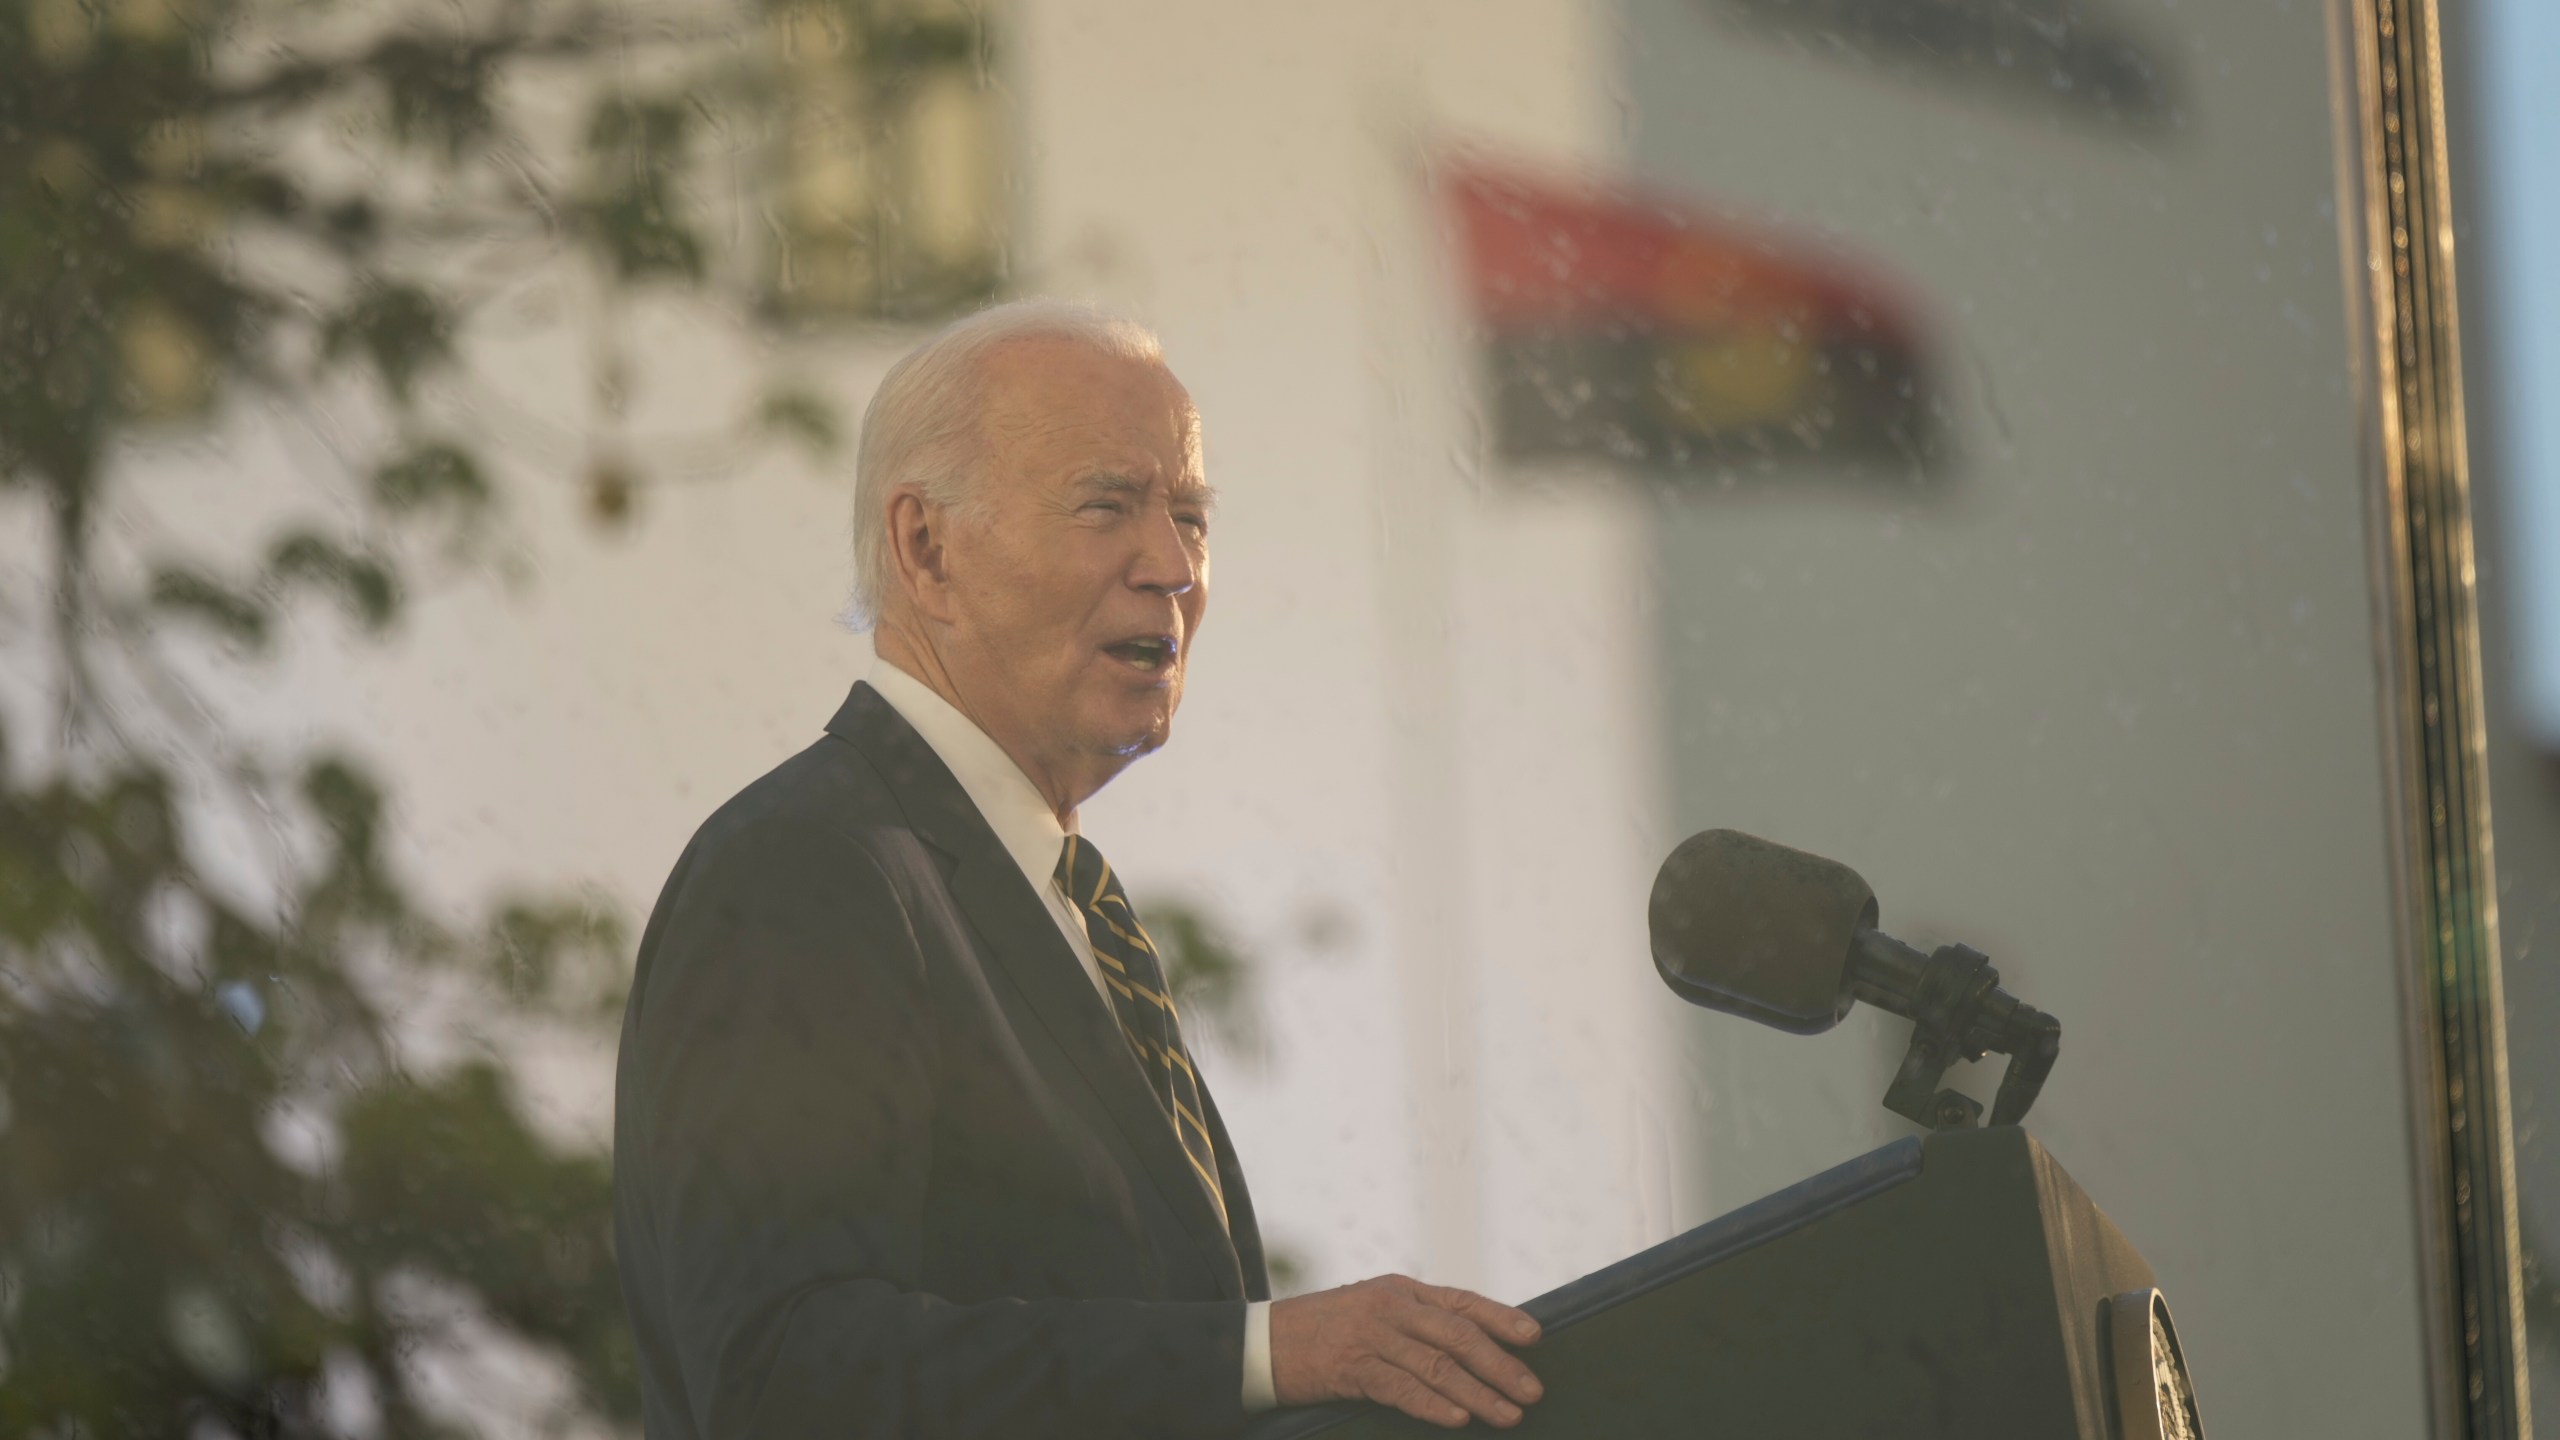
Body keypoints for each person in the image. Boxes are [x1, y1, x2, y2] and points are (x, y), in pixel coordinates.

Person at [611, 299, 1547, 1438]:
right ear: (927, 547)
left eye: (1191, 516)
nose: (1171, 567)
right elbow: (785, 1378)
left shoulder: (1062, 904)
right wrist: (1264, 1351)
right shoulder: (805, 867)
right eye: (1106, 505)